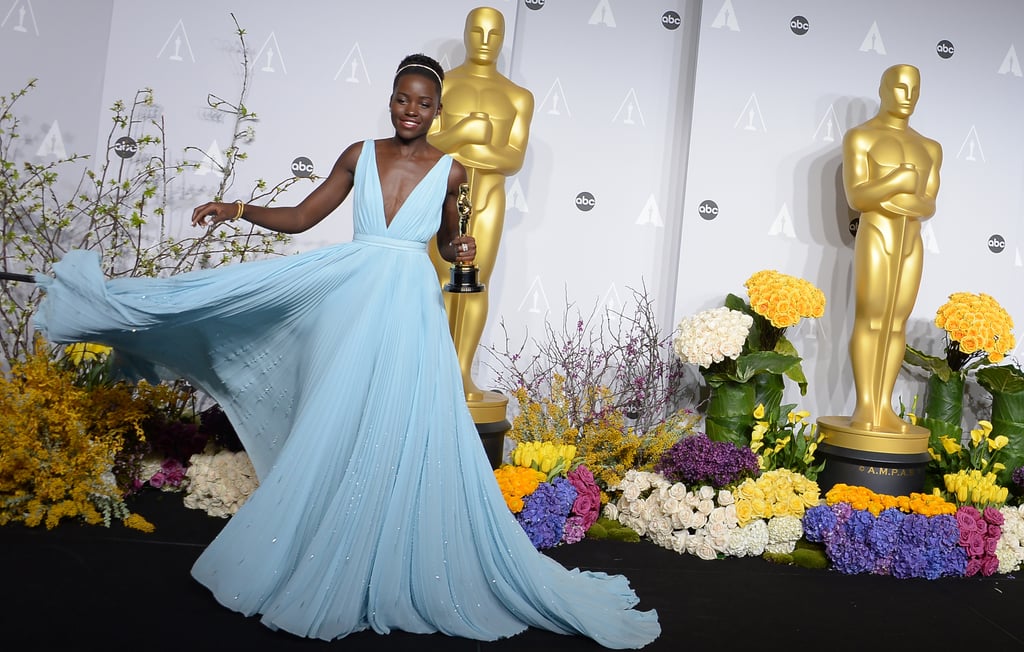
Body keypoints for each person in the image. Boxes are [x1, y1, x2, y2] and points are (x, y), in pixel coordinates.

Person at [32, 54, 659, 649]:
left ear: (438, 111)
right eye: (401, 98)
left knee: (400, 421)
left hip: (409, 305)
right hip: (351, 300)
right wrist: (238, 208)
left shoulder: (455, 170)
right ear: (390, 100)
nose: (410, 110)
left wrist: (460, 249)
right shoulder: (359, 155)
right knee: (341, 413)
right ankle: (327, 539)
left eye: (423, 103)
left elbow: (446, 238)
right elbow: (305, 217)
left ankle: (387, 549)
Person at [427, 6, 534, 402]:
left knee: (474, 284)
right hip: (443, 198)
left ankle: (460, 373)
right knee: (436, 281)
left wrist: (465, 147)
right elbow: (427, 144)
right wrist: (466, 131)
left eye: (494, 34)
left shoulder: (518, 96)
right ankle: (425, 366)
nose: (485, 41)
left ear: (503, 38)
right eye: (478, 31)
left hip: (489, 198)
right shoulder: (444, 85)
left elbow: (513, 159)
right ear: (466, 33)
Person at [842, 63, 942, 433]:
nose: (908, 96)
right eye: (900, 87)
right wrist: (898, 182)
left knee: (896, 323)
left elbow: (928, 205)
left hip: (911, 241)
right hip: (878, 236)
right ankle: (864, 405)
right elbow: (857, 196)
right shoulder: (861, 137)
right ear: (883, 89)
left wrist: (892, 198)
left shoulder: (929, 147)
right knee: (871, 317)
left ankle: (883, 406)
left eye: (915, 88)